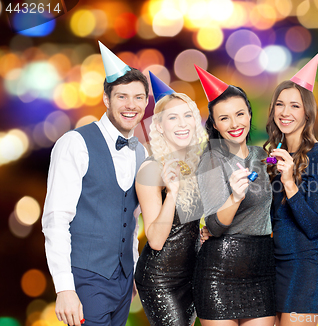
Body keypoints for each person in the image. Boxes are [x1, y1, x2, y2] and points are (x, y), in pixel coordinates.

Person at [41, 41, 148, 325]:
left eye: (138, 97)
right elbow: (55, 219)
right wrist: (64, 288)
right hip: (86, 279)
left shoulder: (141, 151)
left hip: (125, 283)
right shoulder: (75, 143)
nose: (130, 105)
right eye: (122, 96)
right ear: (106, 99)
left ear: (146, 102)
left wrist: (134, 270)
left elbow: (132, 217)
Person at [193, 65, 276, 326]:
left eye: (240, 114)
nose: (234, 123)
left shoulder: (263, 157)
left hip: (262, 270)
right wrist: (235, 198)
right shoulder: (209, 160)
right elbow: (214, 226)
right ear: (215, 124)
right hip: (219, 273)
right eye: (224, 118)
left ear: (249, 115)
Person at [265, 54, 318, 326]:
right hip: (274, 264)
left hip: (307, 265)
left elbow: (313, 224)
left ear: (307, 112)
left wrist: (290, 181)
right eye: (280, 104)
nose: (285, 112)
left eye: (294, 105)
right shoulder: (271, 157)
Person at [134, 72, 206, 326]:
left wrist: (203, 231)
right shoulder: (151, 169)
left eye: (187, 116)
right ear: (160, 126)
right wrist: (172, 192)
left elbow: (190, 222)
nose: (182, 123)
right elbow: (155, 239)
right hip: (160, 279)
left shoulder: (196, 165)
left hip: (192, 276)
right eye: (172, 118)